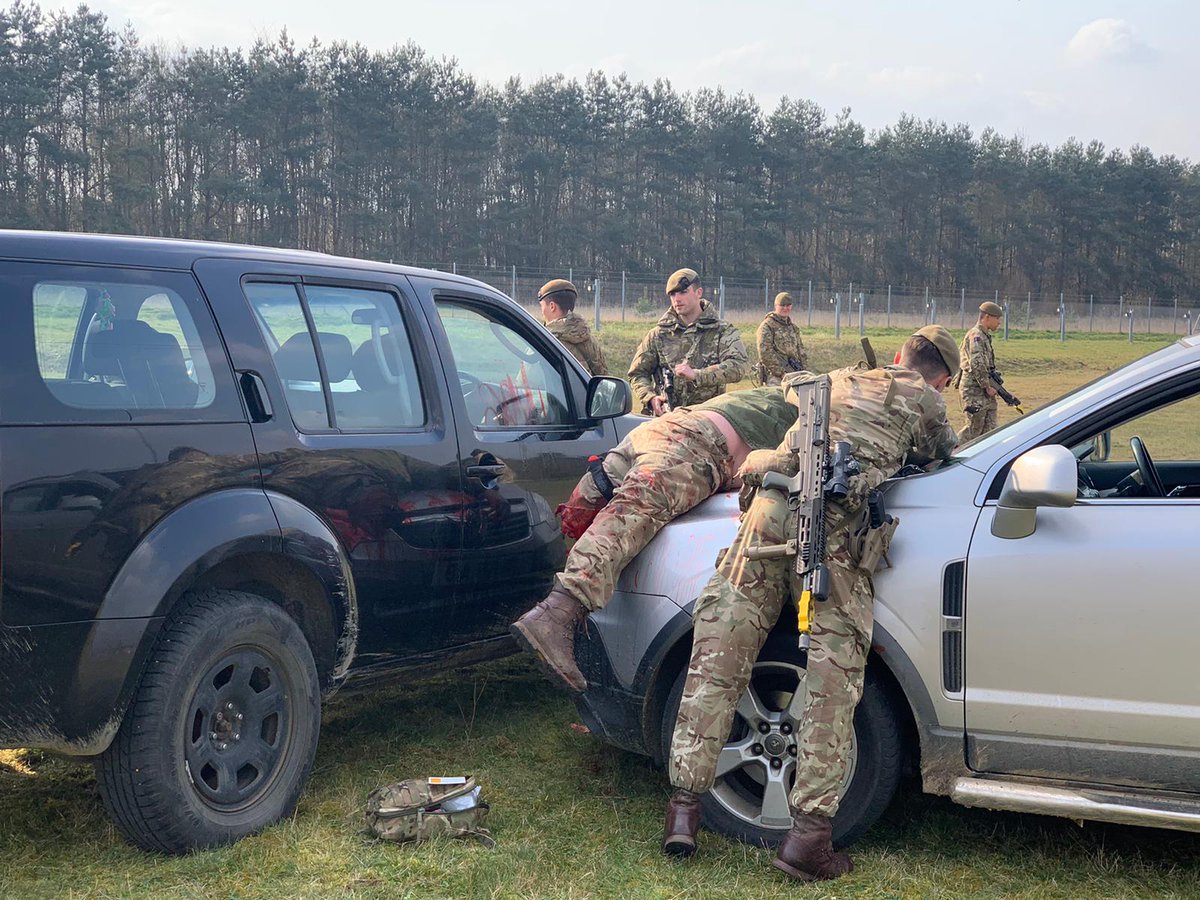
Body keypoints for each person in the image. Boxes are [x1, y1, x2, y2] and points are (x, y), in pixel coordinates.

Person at [662, 325, 959, 881]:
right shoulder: (926, 398)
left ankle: (684, 811)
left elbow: (795, 415)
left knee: (718, 656)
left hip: (768, 512)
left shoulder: (839, 378)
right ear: (941, 376)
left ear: (898, 354)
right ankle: (808, 840)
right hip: (837, 530)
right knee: (832, 680)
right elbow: (945, 457)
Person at [510, 385, 798, 693]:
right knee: (630, 519)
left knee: (584, 516)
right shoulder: (823, 412)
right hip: (697, 446)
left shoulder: (784, 392)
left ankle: (564, 627)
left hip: (656, 432)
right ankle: (556, 615)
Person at [628, 269, 748, 416]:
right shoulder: (658, 334)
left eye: (683, 292)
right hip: (666, 421)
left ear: (698, 292)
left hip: (709, 420)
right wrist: (650, 397)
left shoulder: (721, 331)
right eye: (672, 294)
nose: (677, 299)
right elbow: (637, 373)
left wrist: (697, 375)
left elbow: (738, 366)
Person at [537, 279, 608, 375]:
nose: (542, 311)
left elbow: (525, 380)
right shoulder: (588, 338)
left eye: (542, 306)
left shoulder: (547, 341)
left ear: (552, 306)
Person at [957, 301, 1004, 441]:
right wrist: (987, 386)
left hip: (984, 390)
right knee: (973, 430)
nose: (999, 323)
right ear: (987, 317)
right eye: (997, 318)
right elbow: (977, 363)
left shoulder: (984, 336)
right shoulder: (976, 336)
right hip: (974, 390)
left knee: (990, 430)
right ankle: (952, 451)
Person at [756, 292, 807, 385]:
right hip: (774, 376)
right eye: (782, 305)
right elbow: (765, 352)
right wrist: (781, 372)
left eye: (788, 305)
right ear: (776, 306)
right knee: (777, 399)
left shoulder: (793, 328)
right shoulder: (767, 326)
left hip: (794, 373)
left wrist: (804, 371)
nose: (785, 308)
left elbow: (801, 352)